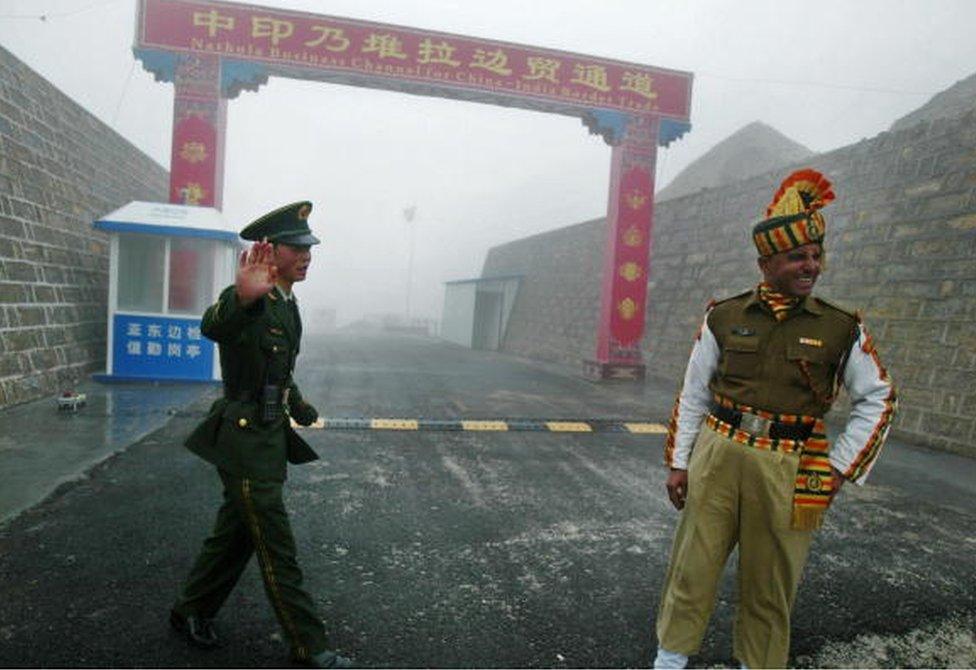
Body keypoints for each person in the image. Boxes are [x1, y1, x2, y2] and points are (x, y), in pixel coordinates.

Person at [653, 169, 897, 669]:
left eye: (816, 255)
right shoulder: (723, 315)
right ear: (766, 263)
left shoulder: (839, 327)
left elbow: (880, 397)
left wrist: (838, 468)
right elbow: (694, 391)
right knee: (691, 571)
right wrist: (679, 463)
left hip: (792, 465)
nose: (811, 266)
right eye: (797, 257)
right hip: (717, 454)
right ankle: (669, 662)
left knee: (770, 585)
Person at [169, 201, 352, 669]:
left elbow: (278, 369)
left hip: (268, 437)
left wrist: (297, 403)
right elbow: (215, 325)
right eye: (297, 247)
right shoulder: (252, 300)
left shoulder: (289, 304)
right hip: (245, 440)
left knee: (236, 535)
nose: (307, 255)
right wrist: (244, 297)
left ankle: (191, 610)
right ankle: (309, 647)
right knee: (276, 545)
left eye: (309, 247)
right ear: (270, 251)